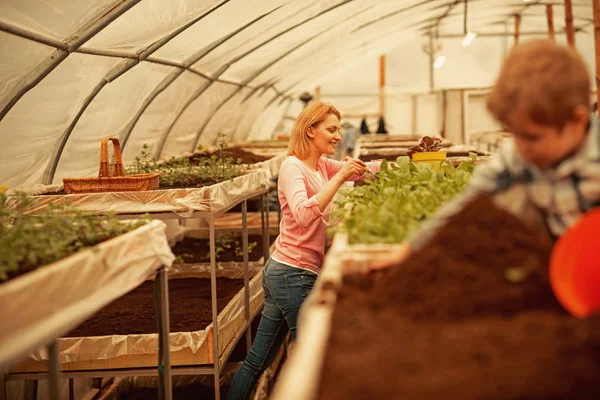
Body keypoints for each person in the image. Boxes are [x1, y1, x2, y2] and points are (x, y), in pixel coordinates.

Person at [380, 39, 599, 267]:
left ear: (577, 121)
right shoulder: (516, 157)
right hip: (552, 264)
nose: (521, 147)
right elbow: (467, 203)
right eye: (514, 134)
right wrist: (411, 249)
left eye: (532, 137)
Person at [227, 102, 379, 400]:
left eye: (338, 130)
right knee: (312, 363)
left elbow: (362, 172)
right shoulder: (292, 167)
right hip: (293, 275)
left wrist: (411, 162)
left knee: (258, 361)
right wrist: (340, 177)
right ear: (310, 131)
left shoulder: (320, 164)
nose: (338, 136)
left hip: (286, 272)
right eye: (331, 129)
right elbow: (303, 214)